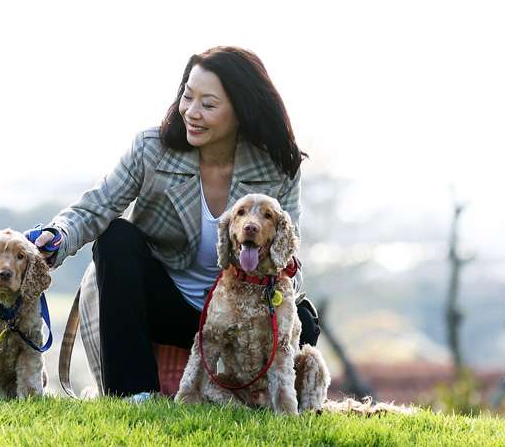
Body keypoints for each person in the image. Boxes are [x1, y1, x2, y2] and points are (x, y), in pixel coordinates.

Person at [31, 46, 320, 398]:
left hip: (236, 311)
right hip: (166, 303)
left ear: (241, 110)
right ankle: (134, 395)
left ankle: (265, 400)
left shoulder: (278, 168)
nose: (192, 112)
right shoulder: (151, 149)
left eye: (208, 104)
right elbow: (97, 207)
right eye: (188, 96)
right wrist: (56, 236)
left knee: (303, 319)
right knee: (115, 237)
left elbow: (287, 255)